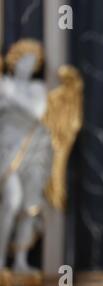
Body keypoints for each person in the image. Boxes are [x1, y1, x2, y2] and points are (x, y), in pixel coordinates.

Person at [0, 39, 52, 272]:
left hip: (33, 150)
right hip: (5, 149)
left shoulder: (36, 89)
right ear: (14, 59)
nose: (29, 65)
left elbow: (38, 111)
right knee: (11, 200)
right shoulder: (4, 84)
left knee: (28, 205)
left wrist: (9, 95)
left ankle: (20, 260)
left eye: (34, 61)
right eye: (25, 59)